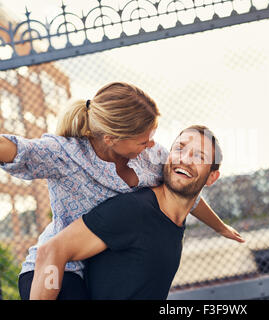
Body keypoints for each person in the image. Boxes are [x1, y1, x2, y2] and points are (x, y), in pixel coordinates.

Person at [0, 82, 244, 300]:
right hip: (58, 269)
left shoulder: (150, 156)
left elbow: (187, 190)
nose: (151, 144)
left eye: (153, 136)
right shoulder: (64, 155)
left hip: (98, 265)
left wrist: (220, 227)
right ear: (111, 139)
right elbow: (16, 149)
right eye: (143, 140)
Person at [30, 125, 233, 300]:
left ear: (212, 177)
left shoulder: (174, 222)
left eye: (199, 156)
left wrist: (222, 228)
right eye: (179, 148)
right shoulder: (133, 210)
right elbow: (52, 250)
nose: (185, 159)